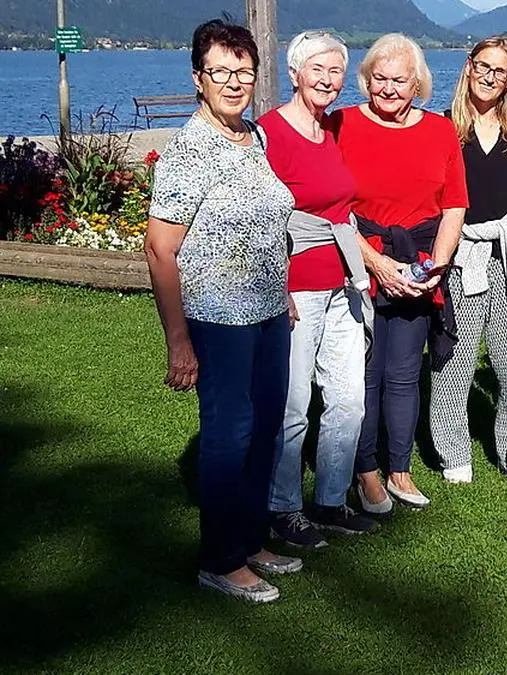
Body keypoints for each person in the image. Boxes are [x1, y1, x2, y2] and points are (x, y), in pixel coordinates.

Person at [144, 19, 300, 603]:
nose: (234, 83)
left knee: (266, 430)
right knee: (229, 435)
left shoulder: (252, 136)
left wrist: (279, 287)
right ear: (197, 78)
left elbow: (266, 222)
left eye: (244, 72)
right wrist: (178, 340)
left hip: (266, 314)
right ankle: (219, 558)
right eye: (221, 72)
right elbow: (161, 248)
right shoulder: (190, 150)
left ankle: (251, 539)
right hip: (218, 319)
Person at [328, 33, 468, 510]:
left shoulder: (440, 131)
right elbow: (333, 206)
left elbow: (454, 206)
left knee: (405, 373)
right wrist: (378, 264)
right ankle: (364, 470)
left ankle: (400, 469)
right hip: (357, 262)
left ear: (418, 84)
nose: (388, 89)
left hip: (420, 265)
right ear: (366, 80)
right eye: (379, 79)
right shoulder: (341, 123)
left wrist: (436, 266)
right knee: (364, 372)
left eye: (399, 80)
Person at [257, 30, 380, 548]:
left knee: (349, 398)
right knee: (292, 400)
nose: (328, 81)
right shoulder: (268, 133)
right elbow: (261, 219)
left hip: (343, 280)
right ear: (294, 73)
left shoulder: (330, 127)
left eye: (335, 72)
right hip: (298, 284)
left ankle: (331, 499)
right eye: (317, 70)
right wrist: (275, 284)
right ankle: (281, 507)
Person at [429, 36, 507, 485]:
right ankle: (453, 452)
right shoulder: (442, 128)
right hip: (461, 256)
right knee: (453, 360)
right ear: (468, 67)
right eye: (483, 66)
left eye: (500, 71)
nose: (489, 76)